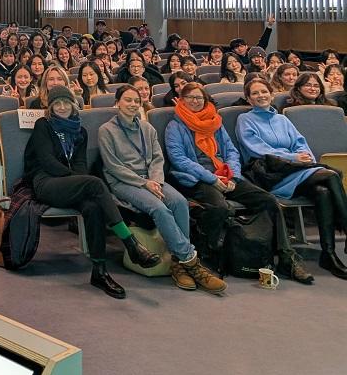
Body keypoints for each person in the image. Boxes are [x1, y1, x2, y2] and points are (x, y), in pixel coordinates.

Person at [164, 82, 312, 283]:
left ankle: (287, 258)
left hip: (226, 175)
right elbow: (179, 159)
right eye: (190, 97)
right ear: (182, 100)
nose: (195, 101)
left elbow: (231, 152)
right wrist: (212, 179)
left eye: (199, 97)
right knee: (219, 207)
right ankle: (210, 253)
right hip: (196, 178)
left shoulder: (215, 122)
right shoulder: (175, 126)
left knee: (268, 201)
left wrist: (232, 176)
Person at [26, 85, 160, 298]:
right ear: (50, 107)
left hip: (70, 184)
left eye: (66, 102)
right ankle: (131, 243)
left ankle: (99, 271)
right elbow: (47, 162)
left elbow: (80, 165)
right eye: (57, 103)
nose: (62, 107)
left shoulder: (80, 132)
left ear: (73, 105)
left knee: (93, 206)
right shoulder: (44, 125)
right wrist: (79, 181)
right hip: (46, 182)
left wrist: (79, 180)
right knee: (95, 184)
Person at [98, 86, 226, 294]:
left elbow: (158, 158)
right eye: (128, 100)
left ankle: (178, 264)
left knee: (179, 202)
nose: (133, 104)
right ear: (117, 103)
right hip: (124, 181)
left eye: (136, 101)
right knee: (159, 208)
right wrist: (144, 183)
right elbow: (113, 166)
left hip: (153, 179)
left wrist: (155, 180)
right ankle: (190, 260)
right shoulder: (107, 130)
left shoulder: (147, 128)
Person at [237, 77, 347, 279]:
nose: (261, 96)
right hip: (271, 174)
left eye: (264, 91)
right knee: (331, 175)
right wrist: (293, 158)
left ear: (271, 94)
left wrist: (307, 159)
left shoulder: (282, 119)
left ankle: (329, 255)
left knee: (322, 192)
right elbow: (258, 150)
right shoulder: (245, 119)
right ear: (249, 99)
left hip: (296, 171)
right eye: (255, 93)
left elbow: (300, 143)